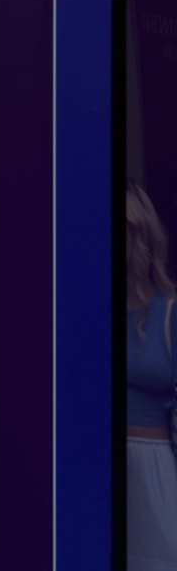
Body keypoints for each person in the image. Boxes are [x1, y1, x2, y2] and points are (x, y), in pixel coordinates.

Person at [125, 180, 177, 570]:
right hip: (92, 464)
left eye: (125, 229)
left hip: (156, 466)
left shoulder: (170, 311)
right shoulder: (81, 309)